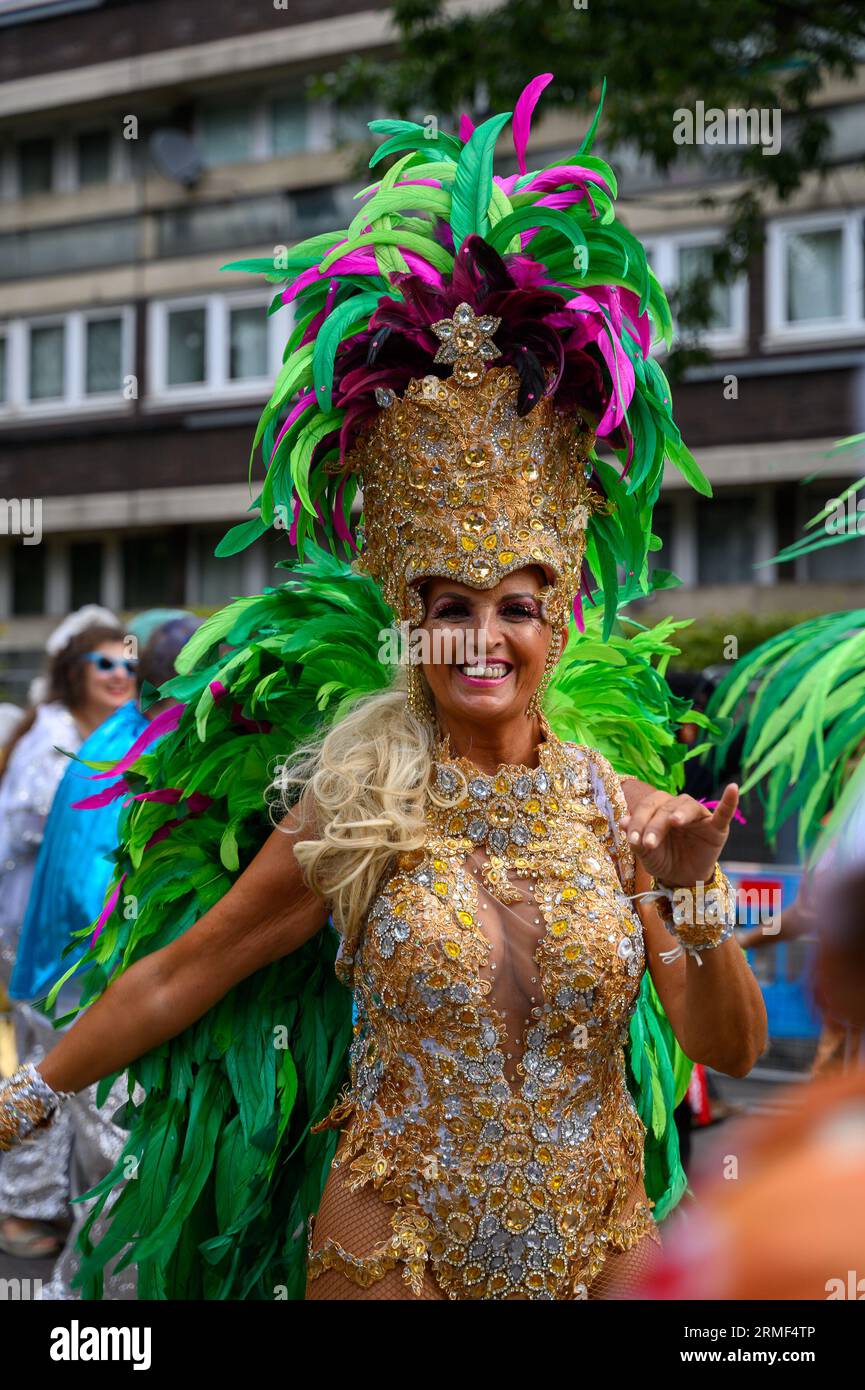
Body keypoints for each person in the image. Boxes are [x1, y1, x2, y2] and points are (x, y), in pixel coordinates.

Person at [0, 76, 767, 1301]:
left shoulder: (634, 815)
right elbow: (182, 971)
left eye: (512, 606)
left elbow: (728, 1045)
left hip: (598, 1253)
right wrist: (25, 1094)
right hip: (388, 1259)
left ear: (558, 618)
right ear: (405, 623)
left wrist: (691, 902)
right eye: (446, 606)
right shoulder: (356, 813)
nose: (480, 640)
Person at [0, 615, 201, 1275]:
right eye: (101, 664)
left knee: (77, 1115)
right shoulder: (129, 746)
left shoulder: (124, 735)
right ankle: (87, 1287)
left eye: (123, 665)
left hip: (70, 969)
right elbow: (95, 896)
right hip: (87, 978)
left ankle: (49, 1231)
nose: (114, 675)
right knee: (114, 1141)